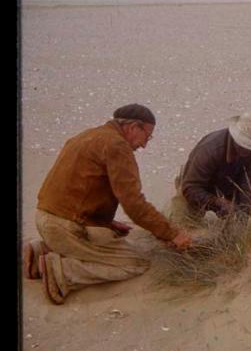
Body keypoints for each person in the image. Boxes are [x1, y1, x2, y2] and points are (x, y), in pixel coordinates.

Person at [23, 104, 192, 305]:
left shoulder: (89, 135)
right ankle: (61, 272)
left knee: (108, 235)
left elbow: (81, 188)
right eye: (147, 136)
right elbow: (134, 205)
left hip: (45, 217)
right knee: (136, 263)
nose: (145, 145)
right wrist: (172, 233)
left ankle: (40, 251)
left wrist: (106, 221)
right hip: (64, 227)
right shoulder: (117, 146)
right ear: (133, 127)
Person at [165, 110, 251, 225]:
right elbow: (190, 188)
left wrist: (242, 214)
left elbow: (249, 182)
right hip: (198, 188)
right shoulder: (209, 149)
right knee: (179, 230)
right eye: (245, 145)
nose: (248, 150)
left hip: (230, 184)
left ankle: (238, 221)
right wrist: (218, 203)